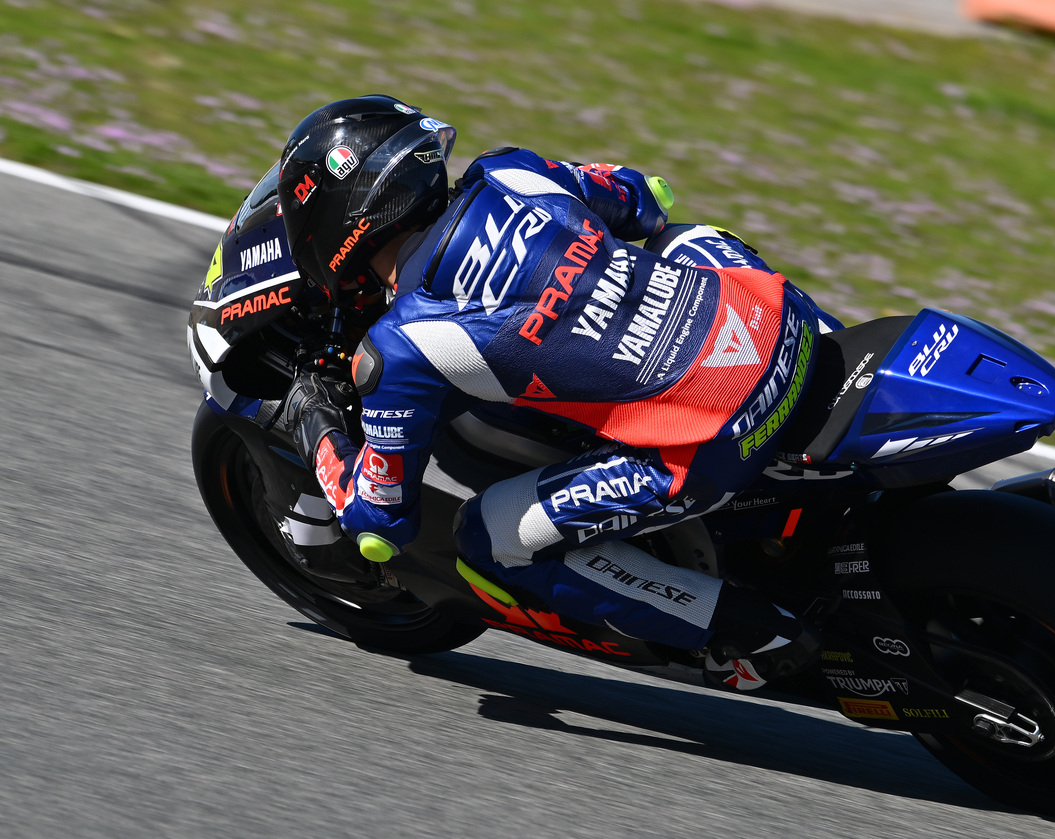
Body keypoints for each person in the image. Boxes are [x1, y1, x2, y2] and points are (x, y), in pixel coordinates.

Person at [277, 95, 842, 690]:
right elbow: (645, 200)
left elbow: (380, 520)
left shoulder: (402, 346)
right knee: (683, 237)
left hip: (716, 434)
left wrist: (315, 422)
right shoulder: (510, 171)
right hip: (782, 326)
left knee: (487, 541)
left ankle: (756, 634)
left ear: (330, 225)